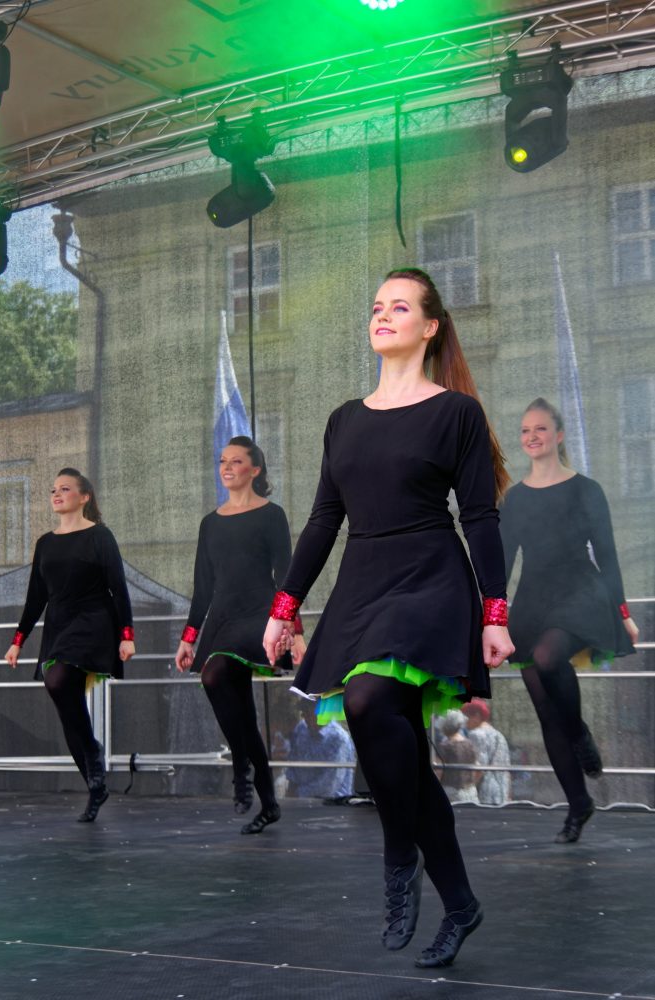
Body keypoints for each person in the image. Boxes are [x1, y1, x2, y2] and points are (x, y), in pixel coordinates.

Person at [264, 267, 514, 969]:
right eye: (376, 306)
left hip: (429, 578)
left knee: (368, 702)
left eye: (398, 307)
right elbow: (323, 519)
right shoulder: (344, 419)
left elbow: (480, 517)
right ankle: (459, 903)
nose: (382, 315)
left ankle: (398, 853)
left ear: (429, 327)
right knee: (394, 751)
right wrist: (285, 607)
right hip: (362, 582)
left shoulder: (456, 413)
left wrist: (494, 613)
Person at [500, 398, 638, 843]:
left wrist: (623, 612)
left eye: (540, 428)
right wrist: (491, 618)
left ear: (558, 435)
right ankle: (578, 805)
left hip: (580, 592)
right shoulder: (515, 499)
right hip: (534, 599)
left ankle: (579, 734)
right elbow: (502, 563)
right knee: (545, 710)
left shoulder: (586, 490)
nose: (532, 436)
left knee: (547, 657)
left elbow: (608, 554)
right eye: (525, 430)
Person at [175, 436, 305, 835]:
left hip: (260, 616)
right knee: (242, 713)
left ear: (255, 469)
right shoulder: (210, 523)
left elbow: (286, 575)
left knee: (214, 675)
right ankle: (267, 800)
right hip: (223, 618)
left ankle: (240, 766)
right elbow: (202, 586)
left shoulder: (271, 515)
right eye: (222, 461)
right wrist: (189, 637)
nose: (227, 467)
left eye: (236, 461)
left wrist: (295, 631)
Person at [5, 468, 134, 822]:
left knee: (59, 680)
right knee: (65, 700)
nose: (57, 494)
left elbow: (118, 587)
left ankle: (92, 757)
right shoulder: (45, 543)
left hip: (93, 621)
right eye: (53, 490)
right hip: (58, 625)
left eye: (65, 489)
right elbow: (36, 597)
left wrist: (127, 635)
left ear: (84, 496)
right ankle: (95, 782)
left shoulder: (100, 536)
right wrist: (18, 641)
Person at [285, 699, 356, 800]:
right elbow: (293, 764)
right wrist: (290, 793)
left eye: (308, 712)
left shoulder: (338, 739)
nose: (305, 717)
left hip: (333, 803)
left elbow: (329, 785)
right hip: (300, 801)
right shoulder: (301, 729)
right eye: (303, 712)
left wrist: (298, 794)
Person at [461, 698, 511, 805]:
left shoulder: (476, 735)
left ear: (477, 716)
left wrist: (467, 790)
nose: (464, 722)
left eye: (466, 717)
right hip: (501, 791)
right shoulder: (499, 735)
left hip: (485, 792)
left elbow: (479, 767)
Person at [436, 710, 480, 805]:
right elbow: (479, 769)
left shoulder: (444, 747)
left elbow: (439, 772)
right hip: (470, 792)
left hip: (450, 793)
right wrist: (472, 783)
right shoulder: (470, 744)